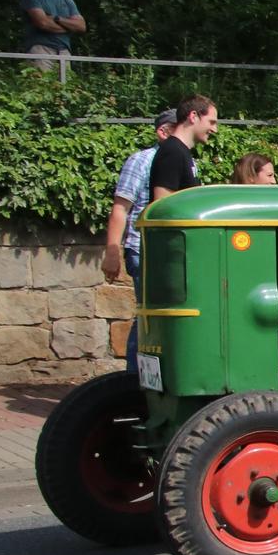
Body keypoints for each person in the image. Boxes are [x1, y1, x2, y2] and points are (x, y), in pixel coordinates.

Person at [101, 108, 178, 373]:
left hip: (167, 254)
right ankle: (133, 381)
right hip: (141, 248)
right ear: (163, 131)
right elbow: (121, 207)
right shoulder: (142, 161)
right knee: (148, 317)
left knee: (156, 317)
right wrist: (112, 252)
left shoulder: (182, 159)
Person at [150, 95, 219, 200]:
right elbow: (162, 206)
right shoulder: (173, 151)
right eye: (211, 122)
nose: (215, 130)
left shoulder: (181, 151)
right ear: (193, 116)